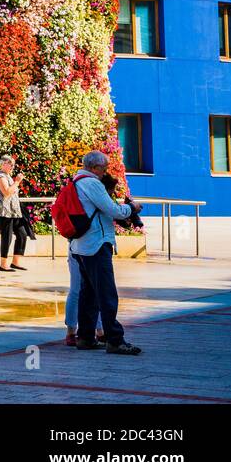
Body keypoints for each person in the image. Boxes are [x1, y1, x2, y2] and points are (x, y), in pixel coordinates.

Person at [69, 150, 143, 356]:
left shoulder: (76, 181)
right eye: (103, 168)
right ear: (94, 168)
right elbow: (115, 211)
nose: (105, 172)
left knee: (89, 294)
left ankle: (85, 337)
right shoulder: (92, 183)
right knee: (107, 294)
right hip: (96, 245)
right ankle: (115, 340)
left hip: (80, 246)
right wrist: (132, 208)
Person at [0, 154, 29, 272]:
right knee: (6, 237)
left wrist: (15, 181)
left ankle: (15, 262)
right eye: (10, 164)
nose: (12, 166)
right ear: (2, 164)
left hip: (14, 211)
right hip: (4, 211)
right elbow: (7, 192)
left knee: (22, 234)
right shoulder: (0, 176)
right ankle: (3, 265)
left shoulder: (8, 176)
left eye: (13, 164)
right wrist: (17, 181)